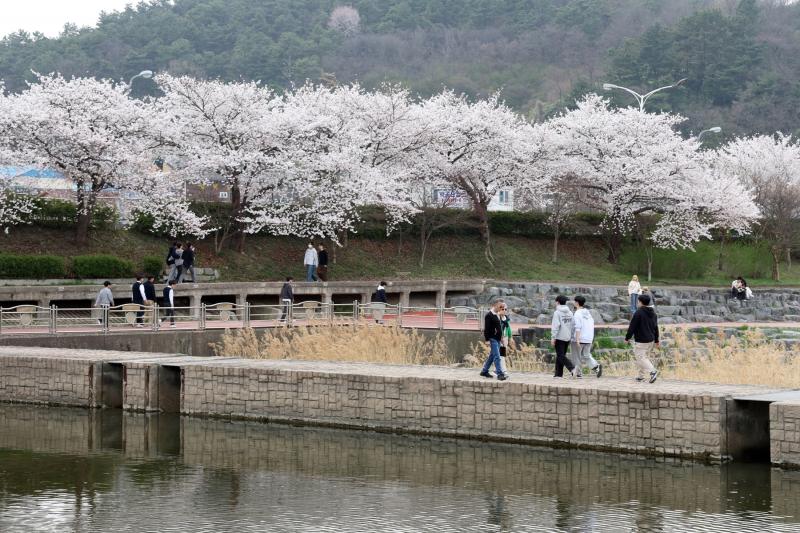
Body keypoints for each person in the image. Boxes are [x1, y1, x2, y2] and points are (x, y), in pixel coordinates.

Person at [624, 293, 660, 383]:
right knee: (643, 357)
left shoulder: (638, 312)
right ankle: (641, 376)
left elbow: (632, 326)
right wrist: (656, 340)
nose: (638, 303)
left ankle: (653, 372)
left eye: (638, 301)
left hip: (642, 340)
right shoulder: (653, 313)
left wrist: (627, 338)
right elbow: (656, 327)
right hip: (651, 340)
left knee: (641, 358)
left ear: (640, 302)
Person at [571, 295, 602, 378]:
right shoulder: (588, 313)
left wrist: (577, 339)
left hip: (580, 338)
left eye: (574, 301)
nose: (574, 303)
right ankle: (596, 366)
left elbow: (578, 327)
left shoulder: (577, 313)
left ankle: (578, 373)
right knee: (586, 355)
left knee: (576, 356)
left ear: (577, 303)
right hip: (588, 338)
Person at [480, 300, 507, 381]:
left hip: (498, 338)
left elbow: (499, 327)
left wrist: (501, 337)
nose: (502, 308)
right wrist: (487, 340)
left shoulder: (497, 315)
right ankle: (500, 374)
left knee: (492, 356)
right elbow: (486, 329)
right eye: (500, 306)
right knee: (497, 356)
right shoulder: (489, 315)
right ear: (495, 305)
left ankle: (484, 371)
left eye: (502, 307)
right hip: (492, 338)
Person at [551, 295, 577, 378]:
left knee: (560, 355)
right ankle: (558, 374)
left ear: (557, 302)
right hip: (567, 337)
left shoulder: (557, 313)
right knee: (561, 355)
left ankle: (572, 368)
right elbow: (573, 325)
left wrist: (553, 337)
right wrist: (572, 336)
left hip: (559, 337)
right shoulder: (570, 312)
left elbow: (556, 326)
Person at [498, 302, 512, 378]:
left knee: (500, 355)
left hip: (505, 338)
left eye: (505, 309)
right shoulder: (497, 318)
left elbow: (509, 329)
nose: (504, 310)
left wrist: (510, 337)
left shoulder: (506, 319)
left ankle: (486, 369)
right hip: (499, 339)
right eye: (502, 309)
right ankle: (504, 370)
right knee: (501, 355)